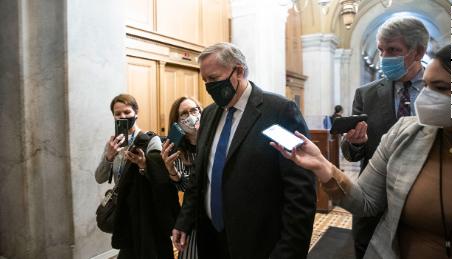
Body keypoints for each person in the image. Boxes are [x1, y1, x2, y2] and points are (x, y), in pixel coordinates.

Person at [272, 44, 452, 259]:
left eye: (441, 87)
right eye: (425, 85)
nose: (427, 96)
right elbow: (366, 201)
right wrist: (322, 165)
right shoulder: (405, 133)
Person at [172, 42, 316, 259]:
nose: (209, 87)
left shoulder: (278, 111)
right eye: (205, 81)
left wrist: (289, 253)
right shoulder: (210, 114)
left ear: (238, 71)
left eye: (213, 79)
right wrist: (184, 220)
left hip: (258, 244)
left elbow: (300, 192)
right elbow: (200, 178)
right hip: (211, 238)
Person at [341, 16, 429, 258]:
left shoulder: (444, 89)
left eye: (394, 50)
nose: (385, 57)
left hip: (424, 201)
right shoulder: (366, 94)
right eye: (381, 50)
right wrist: (354, 142)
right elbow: (351, 152)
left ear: (418, 51)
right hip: (374, 201)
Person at [95, 94, 179, 259]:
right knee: (129, 250)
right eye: (118, 114)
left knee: (150, 251)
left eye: (127, 112)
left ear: (136, 113)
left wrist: (143, 164)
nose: (123, 117)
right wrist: (109, 157)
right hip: (124, 210)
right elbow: (100, 177)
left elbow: (160, 179)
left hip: (146, 209)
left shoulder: (149, 140)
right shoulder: (113, 144)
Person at [161, 96, 202, 259]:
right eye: (184, 114)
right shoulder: (177, 149)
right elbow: (184, 186)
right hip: (192, 213)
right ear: (177, 121)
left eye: (193, 110)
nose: (190, 116)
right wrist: (171, 170)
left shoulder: (212, 139)